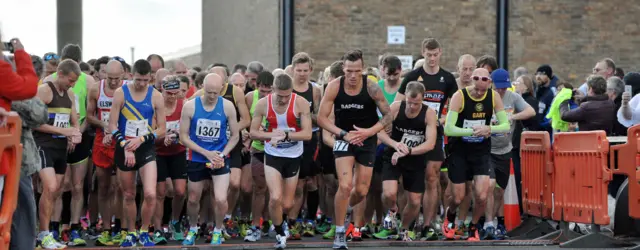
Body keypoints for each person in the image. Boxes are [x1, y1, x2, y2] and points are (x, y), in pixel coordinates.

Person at [317, 49, 392, 248]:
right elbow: (321, 118)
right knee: (344, 185)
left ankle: (346, 208)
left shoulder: (371, 86)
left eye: (357, 71)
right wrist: (343, 134)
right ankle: (340, 232)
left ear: (363, 69)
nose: (352, 76)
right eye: (349, 71)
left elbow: (388, 116)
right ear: (343, 68)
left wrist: (369, 132)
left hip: (366, 139)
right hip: (345, 138)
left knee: (361, 190)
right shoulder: (334, 86)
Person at [394, 38, 458, 240]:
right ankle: (409, 223)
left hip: (434, 134)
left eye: (435, 54)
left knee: (432, 177)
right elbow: (397, 103)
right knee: (409, 181)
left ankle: (429, 224)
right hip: (412, 134)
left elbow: (456, 107)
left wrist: (443, 118)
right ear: (423, 53)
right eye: (428, 55)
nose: (431, 59)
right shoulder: (413, 76)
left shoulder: (447, 78)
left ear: (440, 53)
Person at [442, 68, 509, 241]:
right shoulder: (460, 96)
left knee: (481, 194)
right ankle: (450, 217)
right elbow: (448, 128)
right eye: (476, 88)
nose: (479, 93)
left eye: (483, 89)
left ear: (489, 83)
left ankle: (473, 227)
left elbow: (505, 125)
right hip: (459, 151)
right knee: (457, 197)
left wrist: (489, 128)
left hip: (480, 152)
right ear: (472, 80)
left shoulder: (493, 96)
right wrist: (471, 131)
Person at [250, 73, 312, 249]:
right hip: (273, 154)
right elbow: (253, 132)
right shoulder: (264, 104)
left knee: (287, 203)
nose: (284, 100)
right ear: (273, 90)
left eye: (287, 96)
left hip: (293, 155)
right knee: (275, 197)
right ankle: (279, 233)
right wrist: (271, 136)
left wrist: (285, 135)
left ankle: (280, 221)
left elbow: (307, 134)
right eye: (280, 96)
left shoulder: (300, 103)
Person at [107, 59, 166, 247]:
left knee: (150, 193)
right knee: (129, 194)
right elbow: (112, 124)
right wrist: (126, 146)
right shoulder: (120, 93)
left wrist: (141, 139)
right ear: (131, 76)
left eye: (146, 81)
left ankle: (144, 231)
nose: (142, 84)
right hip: (124, 147)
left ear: (151, 78)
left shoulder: (156, 95)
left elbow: (162, 128)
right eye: (138, 80)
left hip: (145, 146)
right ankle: (131, 232)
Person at [179, 73, 240, 246]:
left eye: (216, 92)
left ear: (221, 89)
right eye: (209, 92)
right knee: (193, 198)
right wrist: (206, 153)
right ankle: (192, 228)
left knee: (220, 198)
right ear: (202, 88)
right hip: (198, 157)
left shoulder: (227, 106)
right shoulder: (190, 107)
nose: (212, 96)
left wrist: (222, 154)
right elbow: (183, 137)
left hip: (220, 158)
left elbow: (235, 136)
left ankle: (218, 230)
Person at [378, 82, 437, 241]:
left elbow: (430, 143)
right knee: (389, 193)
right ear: (405, 97)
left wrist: (408, 151)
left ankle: (404, 228)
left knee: (415, 201)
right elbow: (379, 132)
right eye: (410, 103)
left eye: (416, 104)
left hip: (415, 158)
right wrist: (395, 145)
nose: (412, 107)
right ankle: (392, 209)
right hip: (393, 155)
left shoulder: (429, 114)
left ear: (423, 100)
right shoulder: (396, 107)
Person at [33, 59, 83, 249]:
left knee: (55, 191)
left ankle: (45, 234)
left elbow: (74, 119)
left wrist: (75, 133)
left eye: (75, 82)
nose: (72, 84)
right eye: (70, 80)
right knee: (50, 187)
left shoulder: (69, 93)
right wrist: (65, 131)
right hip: (43, 145)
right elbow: (33, 122)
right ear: (60, 74)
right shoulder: (45, 90)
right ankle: (43, 233)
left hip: (61, 148)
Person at [485, 69, 535, 240]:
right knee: (489, 186)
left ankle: (498, 223)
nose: (501, 91)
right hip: (487, 150)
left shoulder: (512, 97)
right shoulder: (486, 97)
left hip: (505, 150)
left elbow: (531, 111)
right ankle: (488, 223)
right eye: (498, 88)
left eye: (504, 88)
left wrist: (513, 117)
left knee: (499, 190)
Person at [8, 40, 48, 250]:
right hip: (14, 162)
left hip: (18, 161)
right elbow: (38, 113)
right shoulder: (13, 86)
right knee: (21, 221)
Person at [85, 60, 126, 246]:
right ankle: (106, 228)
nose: (113, 82)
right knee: (103, 186)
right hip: (102, 140)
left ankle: (120, 227)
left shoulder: (128, 89)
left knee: (121, 187)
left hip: (122, 140)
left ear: (123, 75)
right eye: (110, 78)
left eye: (117, 78)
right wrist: (105, 125)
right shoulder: (96, 88)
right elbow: (90, 115)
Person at [289, 52, 323, 238]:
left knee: (310, 182)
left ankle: (309, 220)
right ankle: (293, 222)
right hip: (291, 140)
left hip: (310, 140)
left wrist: (306, 116)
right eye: (298, 70)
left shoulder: (315, 90)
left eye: (305, 70)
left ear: (310, 70)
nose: (302, 74)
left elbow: (319, 115)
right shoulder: (287, 88)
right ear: (293, 70)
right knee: (297, 184)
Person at [152, 76, 188, 245]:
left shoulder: (184, 105)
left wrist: (180, 136)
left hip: (178, 152)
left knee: (180, 191)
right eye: (169, 93)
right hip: (159, 153)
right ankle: (158, 229)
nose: (172, 97)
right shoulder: (156, 106)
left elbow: (189, 130)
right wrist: (162, 138)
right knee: (160, 192)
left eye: (176, 93)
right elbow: (151, 134)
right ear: (162, 91)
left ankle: (175, 222)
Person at [243, 71, 275, 242]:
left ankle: (271, 222)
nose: (266, 95)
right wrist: (248, 134)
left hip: (277, 149)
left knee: (274, 189)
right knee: (259, 188)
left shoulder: (281, 98)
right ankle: (255, 225)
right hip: (258, 147)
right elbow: (246, 120)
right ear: (257, 87)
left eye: (269, 92)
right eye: (263, 91)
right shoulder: (250, 97)